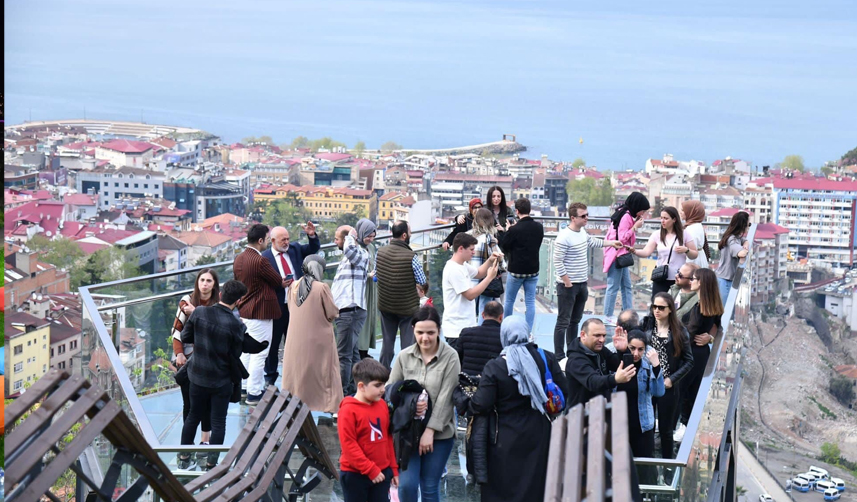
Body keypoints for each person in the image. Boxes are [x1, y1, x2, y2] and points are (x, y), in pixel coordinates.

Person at [468, 316, 569, 502]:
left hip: (505, 438)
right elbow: (564, 390)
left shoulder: (496, 366)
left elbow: (481, 403)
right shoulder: (546, 358)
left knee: (503, 488)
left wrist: (464, 399)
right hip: (540, 434)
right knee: (534, 486)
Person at [179, 280, 265, 469]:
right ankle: (212, 463)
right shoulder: (236, 324)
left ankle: (184, 456)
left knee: (193, 415)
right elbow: (236, 353)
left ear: (220, 294)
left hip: (197, 376)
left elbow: (185, 337)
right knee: (218, 421)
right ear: (239, 301)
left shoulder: (200, 312)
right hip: (221, 381)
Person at [388, 306, 461, 502]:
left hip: (439, 434)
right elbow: (390, 391)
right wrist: (409, 404)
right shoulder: (404, 356)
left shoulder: (451, 356)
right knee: (407, 487)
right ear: (413, 329)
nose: (425, 338)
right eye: (420, 332)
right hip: (408, 433)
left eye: (431, 332)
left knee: (429, 487)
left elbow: (447, 398)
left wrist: (430, 431)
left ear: (439, 330)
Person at [553, 202, 623, 357]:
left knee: (575, 321)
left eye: (587, 215)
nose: (586, 218)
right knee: (563, 322)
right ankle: (559, 356)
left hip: (581, 284)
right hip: (568, 286)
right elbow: (557, 261)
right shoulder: (564, 236)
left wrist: (611, 243)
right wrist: (567, 282)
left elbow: (592, 241)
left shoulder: (582, 232)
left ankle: (572, 352)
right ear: (573, 218)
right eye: (583, 216)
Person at [282, 255, 343, 413]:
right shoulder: (321, 287)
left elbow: (291, 310)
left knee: (297, 371)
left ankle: (295, 402)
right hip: (319, 338)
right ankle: (330, 406)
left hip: (295, 337)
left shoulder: (293, 286)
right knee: (325, 371)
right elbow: (332, 313)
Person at [261, 223, 320, 387]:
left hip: (298, 306)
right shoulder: (265, 258)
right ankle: (270, 378)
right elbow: (262, 284)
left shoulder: (294, 249)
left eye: (288, 239)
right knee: (273, 346)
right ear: (273, 241)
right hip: (277, 308)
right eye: (283, 240)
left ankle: (297, 377)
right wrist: (279, 284)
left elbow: (313, 249)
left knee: (296, 343)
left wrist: (312, 235)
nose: (286, 242)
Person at [234, 223, 287, 405]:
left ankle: (243, 387)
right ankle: (254, 393)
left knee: (246, 352)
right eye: (266, 238)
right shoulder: (260, 260)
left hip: (244, 310)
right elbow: (276, 281)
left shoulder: (239, 259)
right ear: (260, 240)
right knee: (260, 352)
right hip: (260, 312)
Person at [172, 268, 220, 450]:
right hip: (188, 356)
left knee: (207, 401)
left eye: (209, 281)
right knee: (189, 403)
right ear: (197, 282)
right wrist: (179, 353)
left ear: (214, 284)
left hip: (210, 357)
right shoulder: (187, 301)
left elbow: (219, 329)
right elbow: (176, 330)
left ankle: (205, 439)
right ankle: (188, 441)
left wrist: (197, 312)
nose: (205, 284)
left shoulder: (219, 303)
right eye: (202, 280)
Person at [338, 359, 399, 502]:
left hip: (382, 473)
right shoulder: (348, 410)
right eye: (377, 385)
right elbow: (349, 446)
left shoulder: (382, 405)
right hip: (355, 475)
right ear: (361, 386)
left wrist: (393, 469)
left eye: (384, 384)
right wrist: (370, 470)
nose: (383, 389)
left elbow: (387, 438)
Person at [642, 293, 693, 459]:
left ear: (670, 309)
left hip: (667, 386)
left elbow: (689, 361)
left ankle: (667, 465)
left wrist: (672, 379)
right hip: (648, 384)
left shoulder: (679, 332)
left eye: (661, 307)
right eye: (654, 307)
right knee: (647, 427)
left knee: (666, 430)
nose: (657, 310)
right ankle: (647, 465)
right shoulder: (647, 326)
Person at [332, 218, 376, 396]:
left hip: (351, 310)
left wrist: (350, 234)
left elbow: (349, 249)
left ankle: (343, 395)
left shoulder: (362, 253)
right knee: (354, 354)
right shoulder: (358, 255)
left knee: (344, 356)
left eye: (372, 236)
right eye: (368, 236)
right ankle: (358, 390)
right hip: (349, 310)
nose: (370, 239)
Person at [614, 329, 664, 484]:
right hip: (619, 427)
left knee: (644, 471)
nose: (636, 353)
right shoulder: (616, 364)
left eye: (640, 349)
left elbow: (659, 392)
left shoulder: (647, 367)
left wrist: (657, 366)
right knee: (620, 471)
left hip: (643, 427)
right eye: (632, 348)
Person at [678, 268, 723, 436]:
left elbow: (690, 331)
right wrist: (710, 338)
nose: (691, 281)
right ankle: (689, 426)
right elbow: (718, 325)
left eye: (694, 279)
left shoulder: (699, 307)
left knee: (682, 390)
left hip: (691, 353)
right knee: (693, 391)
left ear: (701, 283)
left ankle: (683, 426)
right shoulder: (712, 304)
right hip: (701, 353)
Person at [376, 220, 427, 368]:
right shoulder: (411, 257)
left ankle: (382, 372)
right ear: (404, 235)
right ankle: (405, 375)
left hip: (386, 305)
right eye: (410, 232)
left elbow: (377, 275)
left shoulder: (380, 252)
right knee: (407, 346)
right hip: (406, 308)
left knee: (387, 344)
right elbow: (422, 280)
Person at [441, 233, 500, 349]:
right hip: (456, 329)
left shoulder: (462, 265)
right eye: (471, 249)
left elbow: (478, 273)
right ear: (461, 249)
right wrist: (489, 278)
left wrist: (490, 260)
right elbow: (470, 295)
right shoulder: (454, 270)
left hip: (464, 326)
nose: (474, 252)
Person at [627, 206, 698, 299]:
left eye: (666, 218)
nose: (662, 221)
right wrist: (635, 251)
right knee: (658, 302)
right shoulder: (657, 234)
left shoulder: (684, 234)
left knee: (675, 305)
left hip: (678, 278)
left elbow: (694, 254)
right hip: (661, 276)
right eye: (661, 218)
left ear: (674, 219)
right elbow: (646, 252)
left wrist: (686, 250)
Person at [565, 318, 636, 407]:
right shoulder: (575, 360)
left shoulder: (600, 350)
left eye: (604, 335)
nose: (602, 340)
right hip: (580, 417)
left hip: (601, 413)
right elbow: (593, 382)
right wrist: (614, 379)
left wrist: (623, 350)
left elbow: (621, 367)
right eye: (597, 335)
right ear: (583, 335)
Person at [500, 197, 544, 332]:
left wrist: (508, 231)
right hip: (533, 269)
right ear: (529, 210)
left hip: (516, 270)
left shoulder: (514, 230)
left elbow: (504, 246)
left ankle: (506, 328)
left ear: (517, 211)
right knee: (530, 302)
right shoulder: (539, 227)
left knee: (509, 301)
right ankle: (528, 331)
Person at [603, 192, 650, 317]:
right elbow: (622, 238)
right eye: (642, 211)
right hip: (616, 254)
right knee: (613, 287)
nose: (642, 214)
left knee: (626, 286)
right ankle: (607, 316)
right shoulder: (626, 217)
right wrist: (635, 227)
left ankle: (628, 315)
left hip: (621, 254)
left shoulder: (624, 213)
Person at [467, 208, 506, 323]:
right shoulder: (489, 238)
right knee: (484, 310)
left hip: (468, 280)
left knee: (470, 311)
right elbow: (501, 262)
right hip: (485, 282)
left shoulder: (467, 236)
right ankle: (481, 332)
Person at [455, 301, 504, 376]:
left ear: (483, 315)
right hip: (492, 383)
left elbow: (457, 359)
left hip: (468, 382)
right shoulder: (503, 337)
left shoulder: (466, 333)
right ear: (501, 317)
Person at [715, 211, 750, 305]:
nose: (748, 227)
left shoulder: (732, 237)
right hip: (725, 280)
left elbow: (743, 240)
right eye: (748, 224)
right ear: (743, 225)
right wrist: (745, 250)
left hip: (723, 277)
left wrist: (746, 243)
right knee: (723, 309)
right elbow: (741, 253)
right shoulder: (732, 240)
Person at [680, 200, 709, 268]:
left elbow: (691, 251)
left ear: (690, 212)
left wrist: (687, 268)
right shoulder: (697, 225)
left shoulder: (691, 229)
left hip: (694, 262)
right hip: (700, 259)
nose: (680, 212)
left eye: (683, 210)